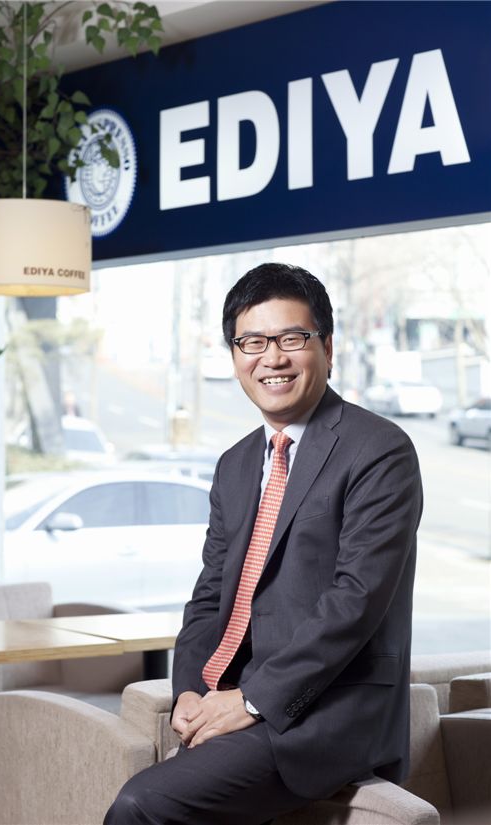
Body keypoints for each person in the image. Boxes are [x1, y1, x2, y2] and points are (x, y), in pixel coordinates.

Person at [104, 262, 423, 824]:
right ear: (235, 356)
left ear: (327, 346)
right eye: (252, 342)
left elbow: (355, 601)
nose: (271, 359)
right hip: (235, 698)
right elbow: (210, 596)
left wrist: (252, 701)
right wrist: (190, 690)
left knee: (140, 805)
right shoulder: (235, 464)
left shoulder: (379, 450)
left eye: (291, 339)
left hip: (328, 710)